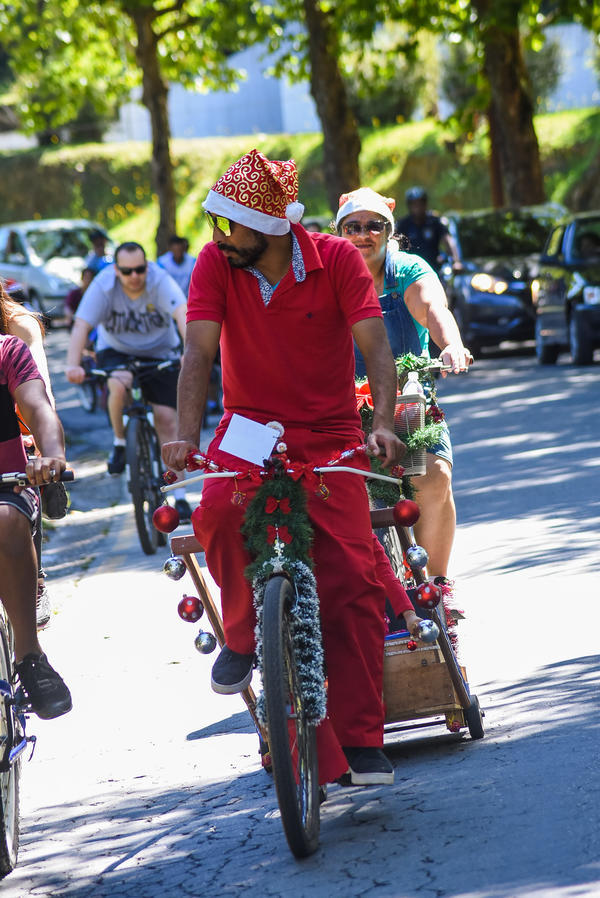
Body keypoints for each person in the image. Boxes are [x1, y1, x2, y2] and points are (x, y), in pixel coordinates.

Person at [162, 148, 405, 786]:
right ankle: (242, 636)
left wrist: (380, 420)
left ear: (269, 226)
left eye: (231, 223)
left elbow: (375, 344)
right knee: (215, 512)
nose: (220, 235)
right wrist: (185, 436)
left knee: (353, 576)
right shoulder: (216, 262)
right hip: (246, 426)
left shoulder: (338, 259)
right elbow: (197, 352)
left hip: (328, 430)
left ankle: (360, 739)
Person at [336, 187, 472, 631]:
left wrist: (451, 345)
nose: (362, 235)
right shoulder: (327, 274)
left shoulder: (407, 270)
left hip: (408, 400)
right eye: (352, 227)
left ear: (388, 232)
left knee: (434, 477)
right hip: (342, 407)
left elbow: (433, 306)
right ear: (339, 233)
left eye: (373, 226)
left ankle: (435, 586)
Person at [65, 242, 192, 521]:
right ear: (116, 270)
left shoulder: (160, 280)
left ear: (147, 266)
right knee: (119, 382)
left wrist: (188, 353)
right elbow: (82, 325)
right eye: (127, 271)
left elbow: (183, 314)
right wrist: (73, 364)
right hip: (117, 350)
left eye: (139, 269)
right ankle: (120, 442)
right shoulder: (103, 285)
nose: (134, 276)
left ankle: (180, 495)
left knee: (167, 420)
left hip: (160, 351)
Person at [0, 332, 72, 719]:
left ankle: (29, 655)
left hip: (7, 487)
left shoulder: (7, 350)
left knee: (4, 520)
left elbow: (39, 409)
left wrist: (53, 455)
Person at [1, 281, 56, 628]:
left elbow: (40, 393)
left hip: (17, 425)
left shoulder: (19, 327)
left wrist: (46, 449)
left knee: (13, 508)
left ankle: (33, 585)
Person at [396, 186, 461, 272]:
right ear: (409, 206)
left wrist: (456, 262)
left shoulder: (435, 221)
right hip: (411, 271)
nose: (417, 207)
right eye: (414, 204)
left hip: (435, 268)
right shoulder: (403, 225)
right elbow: (395, 247)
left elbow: (448, 241)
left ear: (425, 204)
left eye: (420, 203)